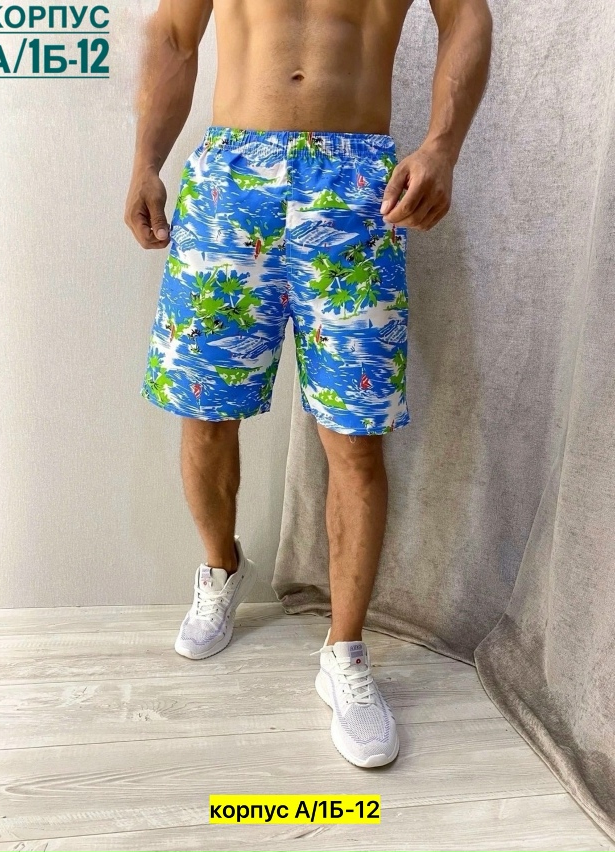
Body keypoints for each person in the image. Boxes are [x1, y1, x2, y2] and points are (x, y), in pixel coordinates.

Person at [124, 0, 492, 769]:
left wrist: (442, 147)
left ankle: (345, 654)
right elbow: (174, 36)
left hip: (357, 186)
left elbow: (466, 17)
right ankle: (221, 568)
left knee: (355, 436)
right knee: (205, 411)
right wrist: (144, 163)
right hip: (230, 182)